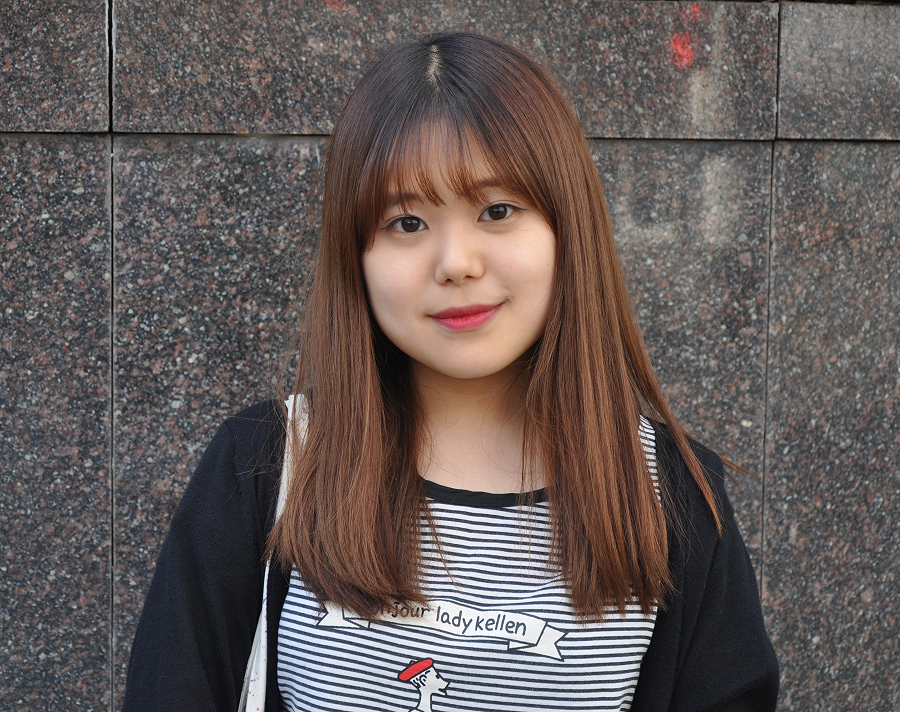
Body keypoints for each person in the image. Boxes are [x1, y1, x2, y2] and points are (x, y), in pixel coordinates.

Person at [122, 32, 778, 712]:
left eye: (497, 211)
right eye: (406, 222)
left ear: (567, 230)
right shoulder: (269, 464)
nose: (456, 263)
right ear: (356, 254)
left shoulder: (666, 492)